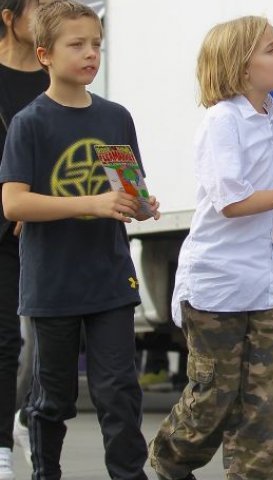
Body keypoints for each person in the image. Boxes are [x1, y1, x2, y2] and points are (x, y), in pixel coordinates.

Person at [148, 17, 273, 480]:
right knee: (214, 395)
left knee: (267, 401)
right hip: (218, 282)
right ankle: (168, 461)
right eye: (270, 49)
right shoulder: (223, 120)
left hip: (269, 280)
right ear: (242, 69)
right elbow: (232, 201)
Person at [0, 1, 160, 478]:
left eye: (96, 44)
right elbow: (14, 203)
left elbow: (128, 190)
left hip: (110, 280)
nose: (91, 53)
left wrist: (142, 204)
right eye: (77, 45)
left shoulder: (114, 118)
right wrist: (93, 203)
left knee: (119, 392)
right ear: (45, 54)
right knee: (53, 399)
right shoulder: (31, 122)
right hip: (53, 285)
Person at [0, 0, 50, 476]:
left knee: (50, 348)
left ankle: (26, 421)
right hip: (3, 229)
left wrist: (39, 202)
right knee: (4, 343)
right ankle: (1, 449)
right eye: (39, 6)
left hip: (49, 230)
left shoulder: (55, 75)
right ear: (9, 17)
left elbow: (77, 144)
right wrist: (13, 203)